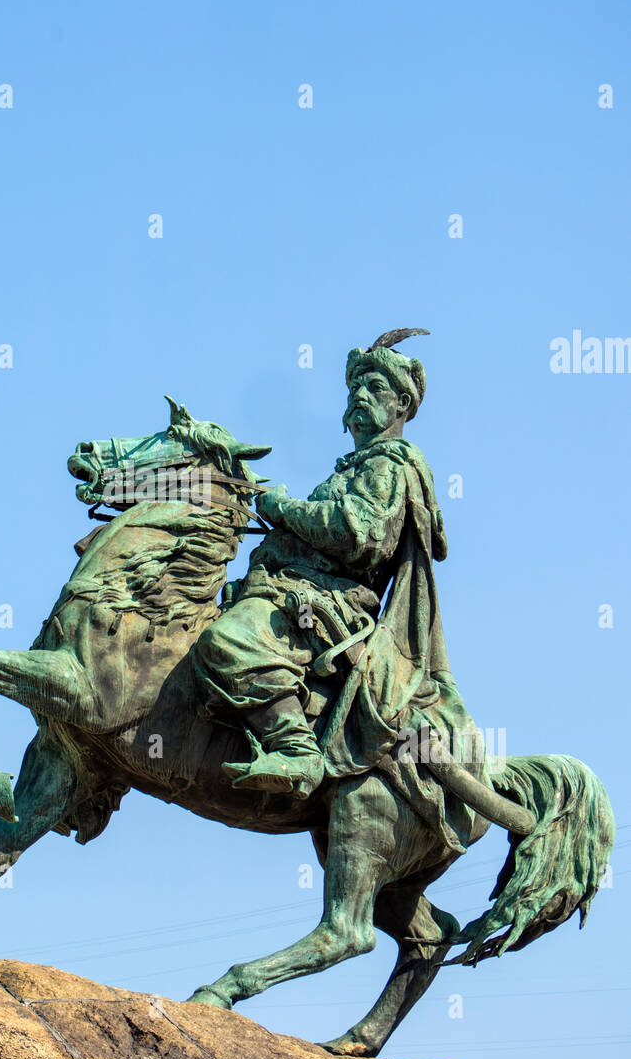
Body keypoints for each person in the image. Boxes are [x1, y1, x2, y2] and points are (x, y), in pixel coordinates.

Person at [192, 329, 481, 805]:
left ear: (402, 404)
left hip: (332, 605)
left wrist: (284, 509)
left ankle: (296, 749)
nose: (359, 397)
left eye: (374, 388)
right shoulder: (353, 467)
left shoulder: (393, 464)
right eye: (354, 389)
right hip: (294, 589)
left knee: (229, 641)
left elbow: (359, 535)